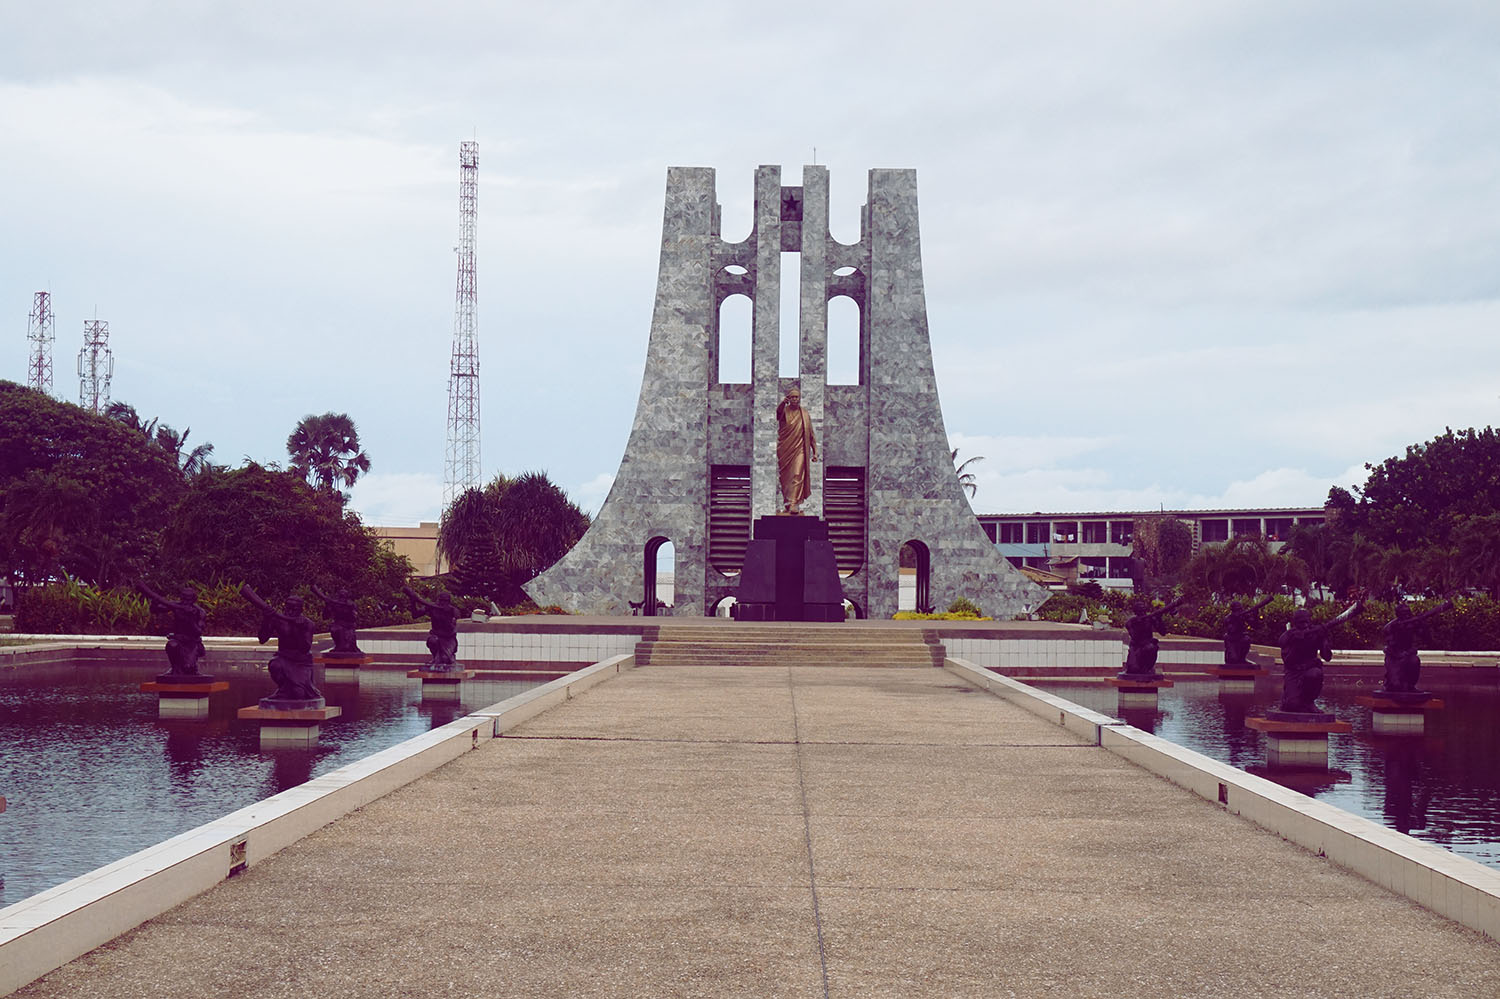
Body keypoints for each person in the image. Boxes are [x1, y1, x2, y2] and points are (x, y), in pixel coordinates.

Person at [240, 585, 321, 703]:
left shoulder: (307, 624)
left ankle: (295, 689)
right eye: (288, 607)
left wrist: (297, 629)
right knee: (275, 665)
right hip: (283, 658)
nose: (290, 611)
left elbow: (305, 648)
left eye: (294, 608)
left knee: (300, 695)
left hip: (301, 662)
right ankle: (283, 689)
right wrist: (266, 619)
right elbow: (262, 639)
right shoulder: (277, 620)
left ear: (301, 610)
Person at [1278, 601, 1361, 714]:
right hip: (1294, 672)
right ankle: (1288, 698)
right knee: (1292, 705)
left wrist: (1323, 640)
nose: (1305, 625)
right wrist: (1297, 643)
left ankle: (1309, 702)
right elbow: (1287, 661)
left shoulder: (1315, 633)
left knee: (1316, 674)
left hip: (1309, 670)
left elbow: (1327, 657)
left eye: (1307, 622)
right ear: (1295, 623)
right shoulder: (1290, 636)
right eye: (1301, 623)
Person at [138, 581, 207, 676]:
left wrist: (190, 619)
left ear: (193, 600)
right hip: (178, 639)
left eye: (188, 600)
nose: (185, 602)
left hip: (192, 642)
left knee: (189, 668)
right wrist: (154, 602)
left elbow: (198, 632)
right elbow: (155, 610)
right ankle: (175, 668)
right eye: (184, 599)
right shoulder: (176, 606)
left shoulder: (200, 612)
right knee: (172, 645)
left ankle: (193, 667)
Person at [1381, 600, 1452, 692]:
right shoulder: (1391, 626)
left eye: (1408, 613)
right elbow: (1390, 643)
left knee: (1414, 661)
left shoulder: (1413, 624)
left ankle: (1410, 685)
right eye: (1404, 613)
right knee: (1395, 686)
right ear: (1398, 614)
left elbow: (1427, 640)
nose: (1407, 615)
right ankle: (1391, 683)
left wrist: (1422, 625)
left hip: (1408, 654)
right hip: (1394, 656)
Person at [1121, 595, 1187, 677]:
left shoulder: (1151, 619)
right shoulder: (1131, 622)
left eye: (1143, 611)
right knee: (1132, 669)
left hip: (1148, 646)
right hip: (1136, 647)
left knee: (1151, 647)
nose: (1142, 613)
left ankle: (1148, 668)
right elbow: (1134, 637)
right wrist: (1139, 625)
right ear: (1135, 612)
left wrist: (1159, 619)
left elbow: (1163, 632)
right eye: (1139, 611)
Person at [776, 386, 817, 514]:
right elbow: (778, 414)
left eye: (796, 397)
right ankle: (787, 502)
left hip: (800, 449)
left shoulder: (804, 414)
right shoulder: (785, 411)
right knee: (785, 478)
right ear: (789, 398)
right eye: (792, 397)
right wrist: (783, 403)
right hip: (785, 449)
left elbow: (811, 434)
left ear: (799, 399)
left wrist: (815, 451)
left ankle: (794, 503)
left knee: (797, 473)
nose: (794, 399)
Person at [403, 585, 460, 668]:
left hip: (449, 639)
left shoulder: (453, 610)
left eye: (445, 601)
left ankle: (449, 656)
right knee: (432, 640)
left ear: (448, 602)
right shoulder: (432, 608)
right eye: (441, 600)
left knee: (445, 660)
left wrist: (449, 616)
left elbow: (454, 621)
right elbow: (415, 615)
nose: (442, 603)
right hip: (436, 636)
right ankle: (435, 658)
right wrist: (413, 601)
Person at [1222, 595, 1274, 665]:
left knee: (1246, 639)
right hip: (1231, 640)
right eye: (1237, 610)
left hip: (1240, 637)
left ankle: (1242, 659)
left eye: (1240, 609)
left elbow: (1255, 626)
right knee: (1233, 660)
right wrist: (1237, 620)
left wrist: (1255, 614)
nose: (1239, 611)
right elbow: (1231, 630)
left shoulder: (1243, 616)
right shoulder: (1228, 618)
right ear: (1233, 611)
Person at [311, 585, 362, 656]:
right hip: (337, 625)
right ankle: (339, 647)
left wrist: (349, 610)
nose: (342, 599)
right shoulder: (334, 604)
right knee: (335, 629)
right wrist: (327, 606)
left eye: (344, 597)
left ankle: (344, 647)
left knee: (348, 645)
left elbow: (354, 618)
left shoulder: (351, 605)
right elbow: (325, 617)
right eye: (341, 597)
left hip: (348, 626)